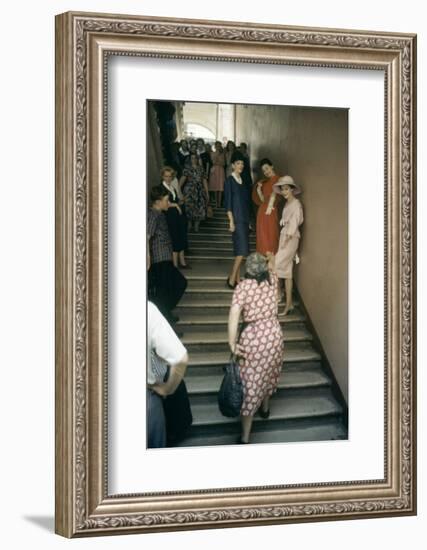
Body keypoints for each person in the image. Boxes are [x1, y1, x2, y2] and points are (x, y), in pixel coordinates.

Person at [228, 252, 284, 444]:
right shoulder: (273, 280)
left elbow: (234, 315)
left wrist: (232, 343)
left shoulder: (243, 287)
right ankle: (265, 409)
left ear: (248, 269)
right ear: (264, 268)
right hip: (275, 335)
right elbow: (273, 268)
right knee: (268, 372)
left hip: (254, 338)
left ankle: (244, 437)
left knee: (251, 384)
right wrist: (271, 261)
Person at [147, 301, 189, 448]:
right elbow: (180, 358)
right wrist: (166, 389)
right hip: (151, 393)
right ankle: (177, 431)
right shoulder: (148, 310)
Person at [147, 186, 187, 327]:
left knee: (168, 290)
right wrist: (147, 257)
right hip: (159, 260)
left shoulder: (159, 214)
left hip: (164, 258)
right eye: (166, 200)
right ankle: (163, 315)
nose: (167, 202)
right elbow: (147, 236)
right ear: (158, 202)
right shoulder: (154, 214)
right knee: (178, 284)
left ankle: (164, 313)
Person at [273, 176, 304, 316]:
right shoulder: (286, 204)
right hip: (284, 236)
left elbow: (295, 223)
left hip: (290, 238)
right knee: (287, 273)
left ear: (292, 189)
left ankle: (275, 296)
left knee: (273, 266)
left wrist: (286, 240)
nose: (284, 192)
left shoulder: (296, 204)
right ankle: (289, 304)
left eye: (286, 189)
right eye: (282, 189)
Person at [224, 152, 251, 288]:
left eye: (242, 164)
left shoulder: (243, 181)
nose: (241, 166)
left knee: (242, 251)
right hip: (237, 219)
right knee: (242, 251)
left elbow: (246, 203)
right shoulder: (229, 180)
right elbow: (228, 202)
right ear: (233, 165)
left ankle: (237, 279)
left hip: (245, 220)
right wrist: (231, 221)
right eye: (238, 163)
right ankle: (232, 277)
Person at [161, 166, 189, 269]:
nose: (168, 178)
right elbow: (165, 204)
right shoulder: (161, 188)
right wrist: (176, 205)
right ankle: (175, 265)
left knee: (180, 236)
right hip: (169, 216)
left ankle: (182, 262)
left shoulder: (172, 188)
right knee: (174, 238)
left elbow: (175, 200)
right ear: (162, 177)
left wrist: (180, 202)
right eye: (166, 176)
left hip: (176, 215)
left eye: (170, 176)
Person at [252, 158, 281, 255]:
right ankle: (265, 267)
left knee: (271, 237)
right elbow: (263, 200)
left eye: (267, 168)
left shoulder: (279, 179)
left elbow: (274, 195)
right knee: (263, 239)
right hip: (262, 212)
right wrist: (259, 190)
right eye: (264, 170)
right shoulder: (265, 182)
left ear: (272, 166)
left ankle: (272, 268)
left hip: (271, 211)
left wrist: (269, 207)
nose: (266, 172)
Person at [180, 152, 209, 232]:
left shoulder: (201, 169)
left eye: (195, 158)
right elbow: (182, 179)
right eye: (192, 158)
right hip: (189, 189)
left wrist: (207, 192)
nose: (194, 160)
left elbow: (204, 181)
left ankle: (197, 225)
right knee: (189, 207)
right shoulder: (187, 168)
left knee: (200, 207)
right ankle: (189, 224)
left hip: (199, 190)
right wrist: (178, 190)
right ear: (190, 159)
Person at [209, 141, 226, 208]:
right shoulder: (212, 153)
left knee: (220, 187)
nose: (218, 147)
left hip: (221, 170)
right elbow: (213, 162)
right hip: (214, 170)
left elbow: (224, 163)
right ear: (215, 146)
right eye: (217, 145)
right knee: (215, 187)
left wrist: (218, 162)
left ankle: (219, 203)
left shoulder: (223, 154)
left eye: (219, 145)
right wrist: (218, 159)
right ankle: (216, 202)